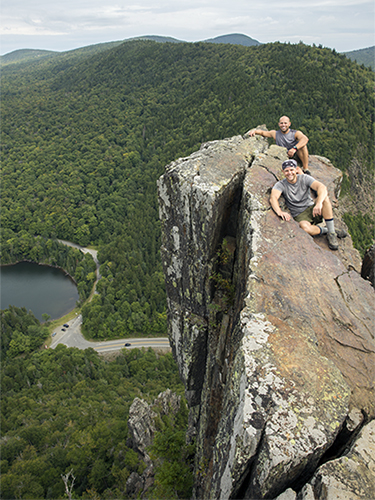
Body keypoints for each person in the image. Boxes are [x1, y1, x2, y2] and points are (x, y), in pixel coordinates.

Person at [270, 159, 347, 250]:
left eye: (291, 170)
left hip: (312, 207)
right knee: (305, 228)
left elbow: (321, 187)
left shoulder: (304, 178)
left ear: (296, 170)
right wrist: (279, 212)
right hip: (300, 214)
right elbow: (273, 198)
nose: (289, 173)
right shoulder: (281, 184)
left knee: (325, 199)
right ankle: (328, 230)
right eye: (286, 171)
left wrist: (318, 203)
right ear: (283, 172)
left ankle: (332, 234)